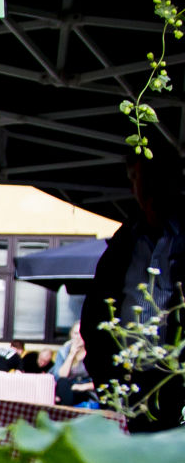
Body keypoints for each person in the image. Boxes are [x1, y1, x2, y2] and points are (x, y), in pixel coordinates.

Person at [85, 142, 185, 429]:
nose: (142, 188)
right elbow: (94, 317)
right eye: (136, 179)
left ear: (172, 181)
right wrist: (104, 374)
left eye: (149, 177)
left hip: (175, 382)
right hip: (128, 383)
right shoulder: (123, 243)